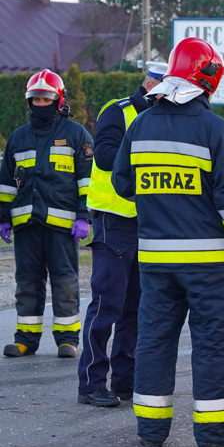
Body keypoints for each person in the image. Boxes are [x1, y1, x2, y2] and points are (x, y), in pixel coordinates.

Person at [113, 38, 224, 447]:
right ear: (207, 77)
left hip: (156, 261)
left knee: (155, 340)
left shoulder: (140, 125)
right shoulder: (216, 131)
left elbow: (123, 184)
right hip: (209, 264)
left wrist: (161, 202)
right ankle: (214, 435)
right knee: (212, 344)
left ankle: (151, 431)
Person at [77, 61, 168, 408]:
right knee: (106, 306)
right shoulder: (118, 111)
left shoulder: (161, 117)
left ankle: (126, 381)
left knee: (136, 308)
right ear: (150, 84)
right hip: (114, 221)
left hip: (144, 223)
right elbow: (102, 157)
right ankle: (91, 384)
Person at [0, 70, 93, 359]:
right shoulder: (19, 137)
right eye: (35, 99)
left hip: (63, 227)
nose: (41, 104)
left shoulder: (76, 135)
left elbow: (88, 181)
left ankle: (67, 339)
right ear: (29, 102)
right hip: (26, 224)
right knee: (26, 282)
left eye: (46, 99)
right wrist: (3, 216)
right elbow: (5, 182)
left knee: (64, 282)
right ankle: (26, 339)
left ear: (58, 100)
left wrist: (84, 216)